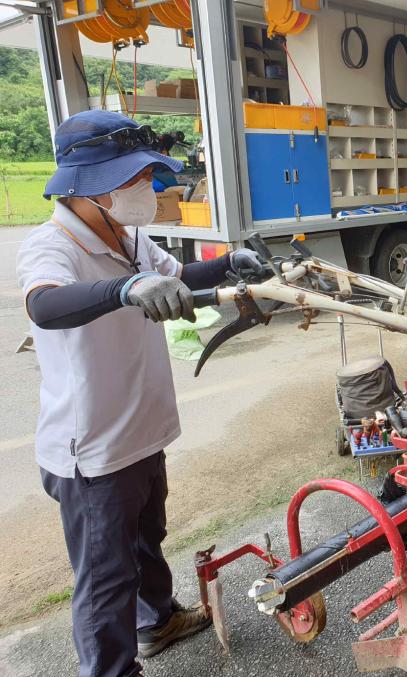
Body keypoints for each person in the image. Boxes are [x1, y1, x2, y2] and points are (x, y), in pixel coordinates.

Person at [16, 110, 265, 677]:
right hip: (94, 451)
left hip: (141, 432)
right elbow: (44, 306)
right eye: (127, 180)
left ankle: (157, 623)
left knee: (148, 538)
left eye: (142, 177)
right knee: (105, 579)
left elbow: (178, 281)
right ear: (85, 183)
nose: (141, 189)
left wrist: (228, 265)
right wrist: (125, 288)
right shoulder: (50, 245)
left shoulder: (130, 237)